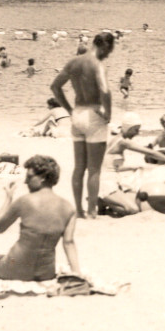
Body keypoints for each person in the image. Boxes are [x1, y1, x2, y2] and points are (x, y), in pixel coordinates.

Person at [0, 155, 81, 281]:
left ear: (43, 178)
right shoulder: (69, 208)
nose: (25, 182)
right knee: (2, 258)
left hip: (15, 269)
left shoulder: (25, 201)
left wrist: (8, 198)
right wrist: (77, 274)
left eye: (29, 177)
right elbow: (68, 243)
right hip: (45, 273)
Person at [50, 30, 117, 219]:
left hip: (77, 114)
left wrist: (69, 109)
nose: (109, 54)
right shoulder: (97, 64)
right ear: (104, 46)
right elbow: (105, 90)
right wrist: (108, 113)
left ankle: (78, 210)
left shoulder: (73, 62)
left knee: (79, 167)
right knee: (94, 169)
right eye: (110, 50)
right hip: (93, 114)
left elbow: (55, 87)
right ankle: (92, 211)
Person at [99, 113, 165, 216]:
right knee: (133, 210)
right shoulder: (123, 142)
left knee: (138, 199)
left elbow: (112, 167)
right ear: (129, 127)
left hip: (112, 181)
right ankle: (102, 201)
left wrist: (135, 167)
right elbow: (150, 152)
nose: (137, 133)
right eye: (136, 129)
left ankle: (104, 202)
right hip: (106, 184)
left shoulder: (115, 140)